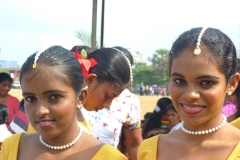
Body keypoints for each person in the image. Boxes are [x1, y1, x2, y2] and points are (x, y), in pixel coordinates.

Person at [1, 46, 127, 160]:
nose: (40, 110)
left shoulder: (110, 157)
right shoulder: (12, 147)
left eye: (54, 97)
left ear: (81, 98)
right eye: (30, 98)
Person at [138, 27, 240, 159]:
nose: (190, 94)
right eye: (180, 81)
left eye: (206, 83)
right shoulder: (151, 149)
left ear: (231, 84)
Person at [86, 46, 142, 160]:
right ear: (90, 80)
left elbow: (134, 144)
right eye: (107, 96)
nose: (107, 105)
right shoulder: (68, 103)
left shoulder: (129, 101)